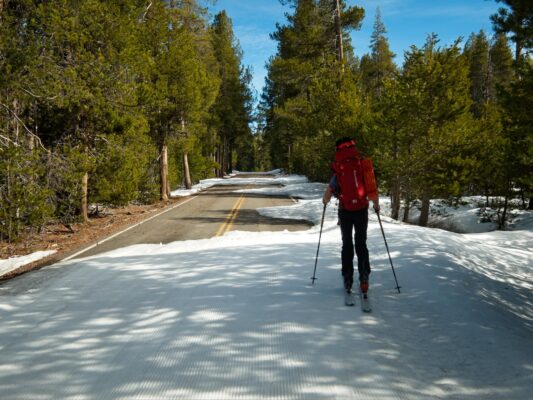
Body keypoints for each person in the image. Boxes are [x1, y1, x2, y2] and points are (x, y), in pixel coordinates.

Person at [322, 137, 380, 295]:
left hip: (345, 210)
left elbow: (330, 188)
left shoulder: (340, 167)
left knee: (347, 244)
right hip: (361, 209)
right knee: (361, 243)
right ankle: (364, 277)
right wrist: (376, 204)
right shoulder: (362, 164)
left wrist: (325, 200)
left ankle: (348, 278)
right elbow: (371, 185)